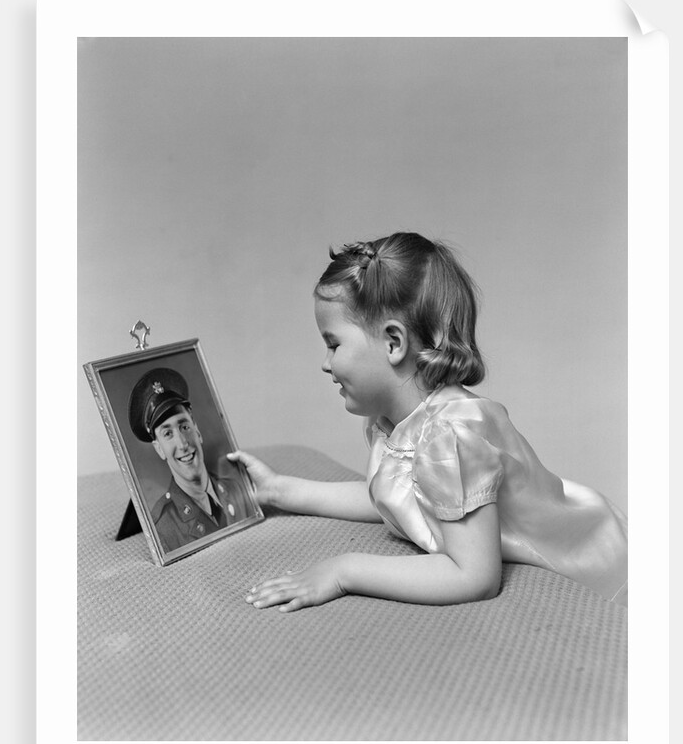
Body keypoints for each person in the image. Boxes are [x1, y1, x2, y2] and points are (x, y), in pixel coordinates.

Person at [229, 232, 628, 613]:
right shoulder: (391, 425)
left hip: (595, 563)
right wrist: (279, 491)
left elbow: (473, 575)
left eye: (333, 344)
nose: (325, 362)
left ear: (393, 343)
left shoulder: (450, 436)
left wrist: (342, 571)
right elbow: (396, 502)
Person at [129, 367, 254, 550]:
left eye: (184, 427)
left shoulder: (236, 490)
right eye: (168, 434)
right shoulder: (163, 528)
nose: (182, 444)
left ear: (197, 431)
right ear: (159, 449)